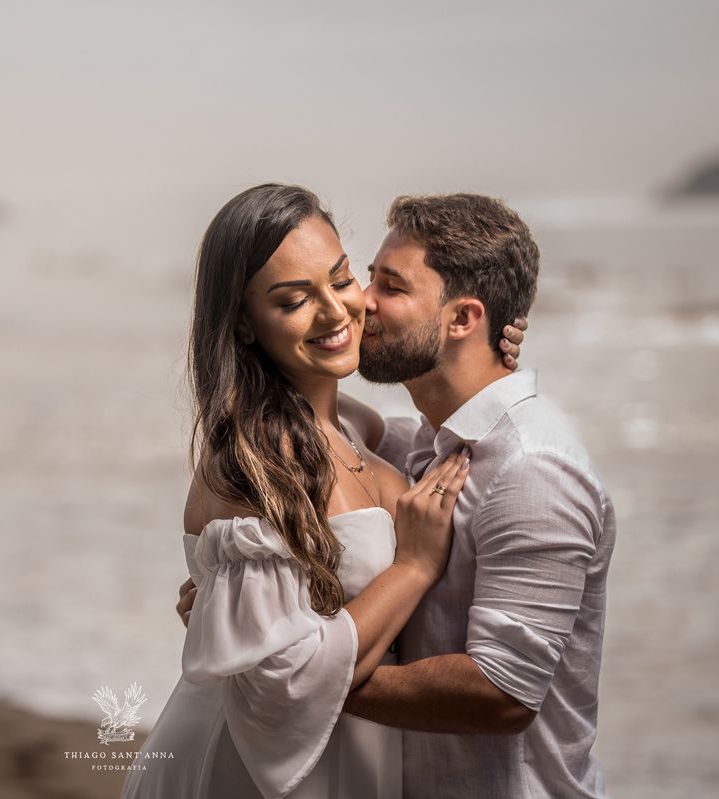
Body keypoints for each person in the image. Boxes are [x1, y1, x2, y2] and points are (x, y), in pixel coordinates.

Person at [178, 193, 614, 799]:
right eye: (366, 276)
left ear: (463, 319)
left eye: (382, 285)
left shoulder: (531, 470)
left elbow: (504, 693)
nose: (358, 305)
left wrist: (281, 665)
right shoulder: (420, 444)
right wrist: (246, 617)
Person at [121, 183, 491, 799]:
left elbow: (441, 423)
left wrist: (481, 344)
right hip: (246, 775)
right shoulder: (261, 458)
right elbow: (279, 686)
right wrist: (415, 567)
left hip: (346, 757)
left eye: (341, 279)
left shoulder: (349, 425)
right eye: (294, 300)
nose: (335, 312)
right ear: (242, 321)